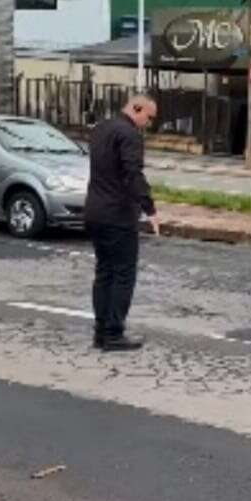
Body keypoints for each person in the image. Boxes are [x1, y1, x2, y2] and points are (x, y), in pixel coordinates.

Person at [84, 94, 159, 352]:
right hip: (117, 214)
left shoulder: (101, 128)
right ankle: (114, 334)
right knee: (123, 274)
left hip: (94, 209)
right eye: (148, 117)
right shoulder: (129, 134)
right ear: (136, 108)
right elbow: (132, 173)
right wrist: (149, 207)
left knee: (104, 271)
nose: (147, 124)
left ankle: (100, 331)